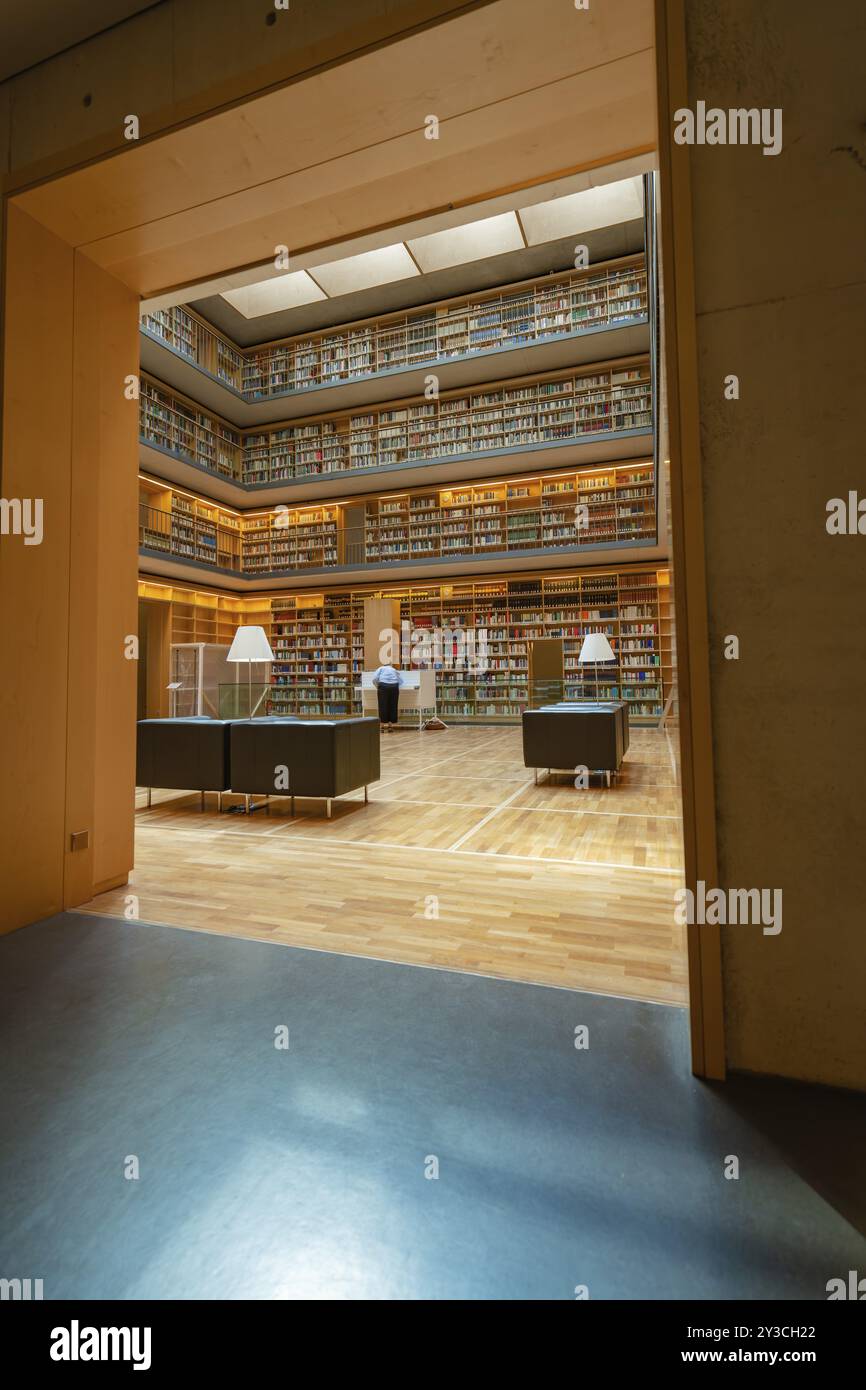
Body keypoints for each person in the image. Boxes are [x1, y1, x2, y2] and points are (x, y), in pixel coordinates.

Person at [372, 663, 405, 732]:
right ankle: (390, 726)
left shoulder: (380, 668)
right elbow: (401, 681)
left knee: (383, 705)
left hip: (383, 686)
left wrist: (377, 686)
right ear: (390, 665)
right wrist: (394, 684)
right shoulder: (394, 669)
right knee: (393, 705)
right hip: (394, 687)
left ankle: (382, 726)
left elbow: (374, 678)